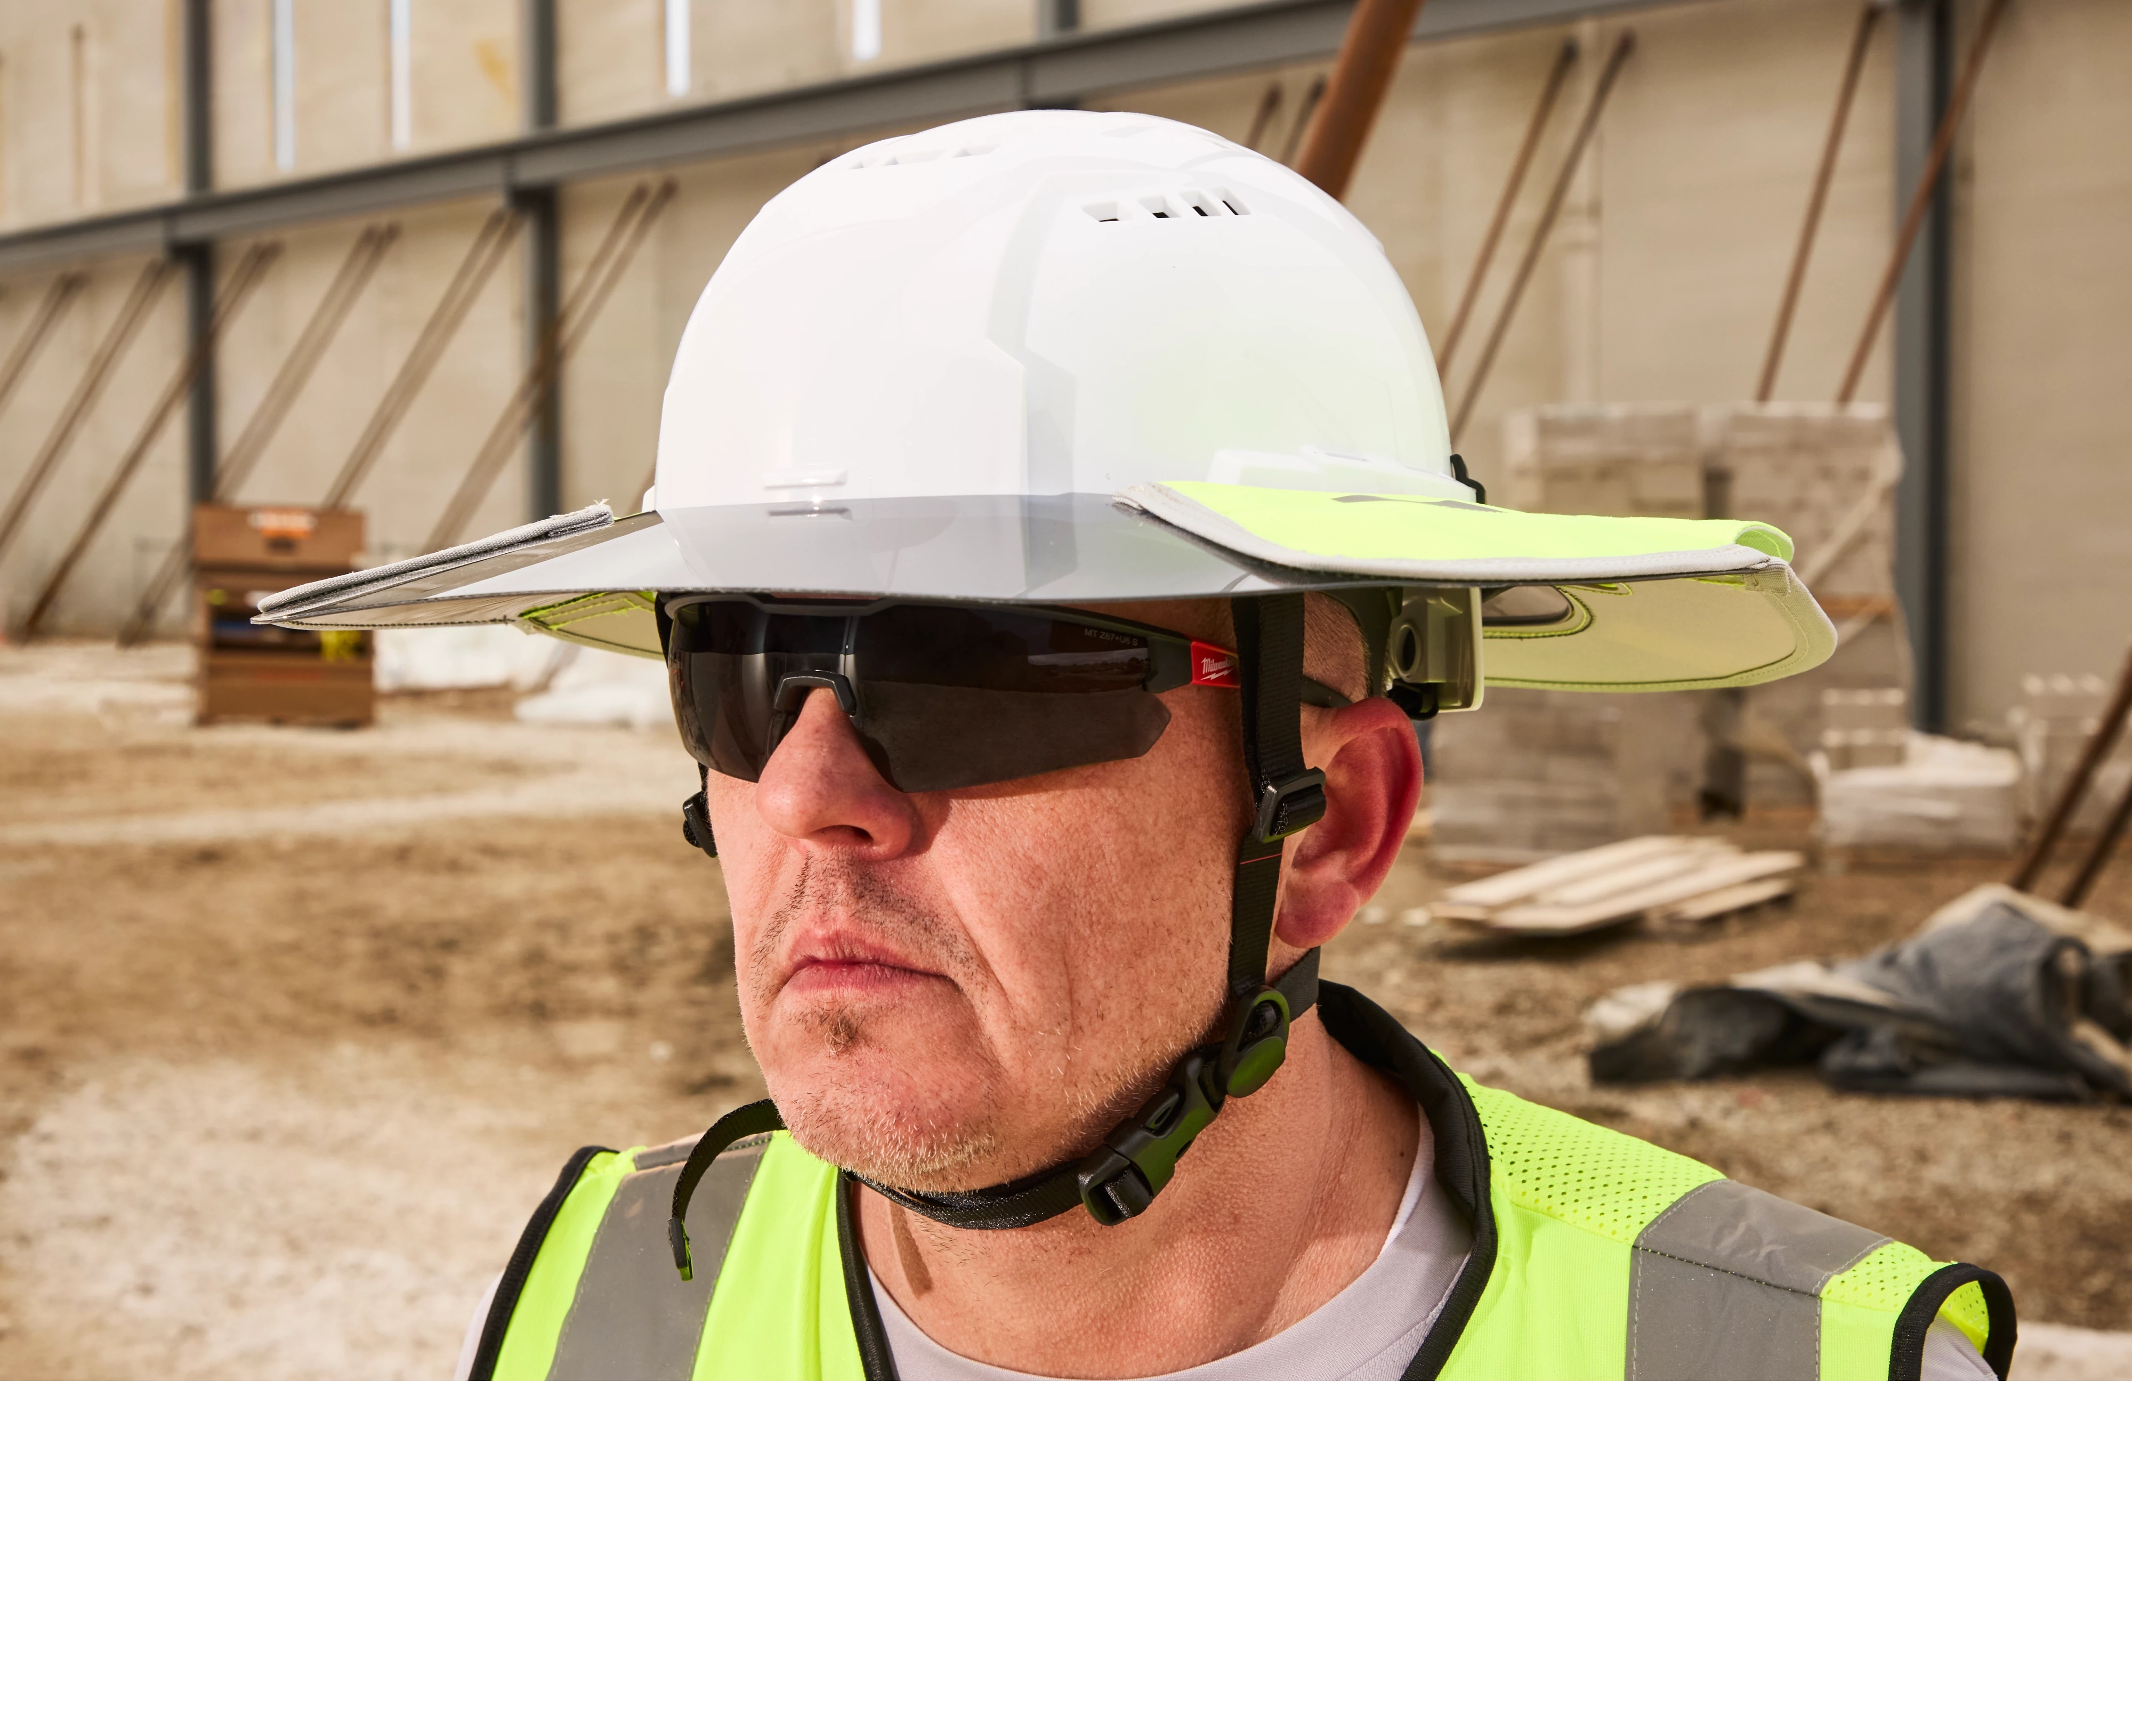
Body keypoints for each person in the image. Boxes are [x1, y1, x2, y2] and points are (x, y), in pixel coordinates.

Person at [263, 110, 2013, 1382]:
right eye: (736, 672)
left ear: (1331, 825)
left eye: (974, 677)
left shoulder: (1778, 1357)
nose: (806, 793)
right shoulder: (606, 1309)